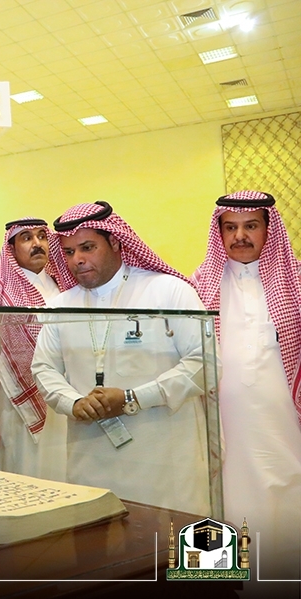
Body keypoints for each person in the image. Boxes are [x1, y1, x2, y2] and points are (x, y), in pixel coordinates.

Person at [31, 201, 210, 515]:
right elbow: (44, 368)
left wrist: (132, 398)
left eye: (87, 247)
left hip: (162, 458)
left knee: (165, 553)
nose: (78, 260)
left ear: (115, 241)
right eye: (70, 252)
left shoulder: (168, 292)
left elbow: (206, 364)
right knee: (99, 551)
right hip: (88, 455)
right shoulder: (61, 305)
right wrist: (72, 401)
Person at [190, 190, 301, 578]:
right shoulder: (199, 286)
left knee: (288, 495)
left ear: (269, 230)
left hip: (285, 420)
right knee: (226, 499)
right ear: (218, 232)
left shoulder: (295, 280)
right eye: (230, 227)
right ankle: (224, 583)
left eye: (251, 226)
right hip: (224, 423)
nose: (240, 235)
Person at [0, 218, 67, 480]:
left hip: (63, 394)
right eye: (27, 238)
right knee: (21, 469)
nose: (37, 244)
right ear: (11, 248)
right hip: (13, 404)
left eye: (42, 237)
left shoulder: (64, 288)